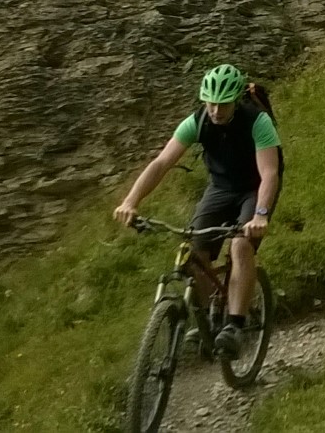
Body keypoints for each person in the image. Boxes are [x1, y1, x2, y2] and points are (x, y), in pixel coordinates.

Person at [113, 64, 283, 360]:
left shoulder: (258, 122)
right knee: (193, 253)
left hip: (254, 188)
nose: (216, 110)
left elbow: (270, 173)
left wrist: (260, 215)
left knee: (241, 245)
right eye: (210, 103)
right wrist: (131, 201)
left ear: (236, 99)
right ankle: (205, 319)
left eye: (223, 104)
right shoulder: (197, 121)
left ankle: (234, 326)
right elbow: (161, 163)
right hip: (220, 188)